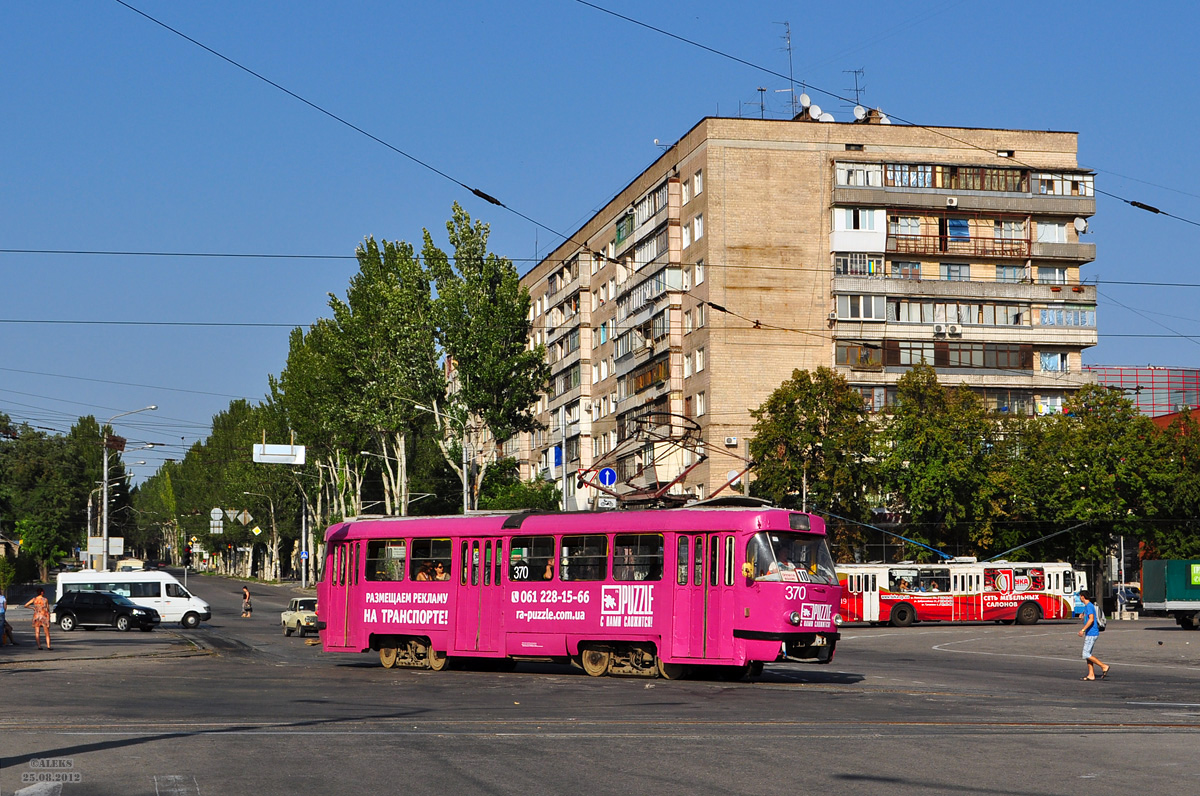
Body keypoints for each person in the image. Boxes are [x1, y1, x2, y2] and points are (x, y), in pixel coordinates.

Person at [1077, 590, 1110, 681]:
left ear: (1083, 597)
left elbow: (1091, 619)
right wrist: (1082, 615)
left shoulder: (1089, 606)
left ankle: (1104, 666)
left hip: (1092, 633)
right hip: (1091, 633)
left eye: (1080, 596)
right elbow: (1088, 616)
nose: (1080, 598)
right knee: (1088, 654)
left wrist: (1083, 630)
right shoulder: (1088, 606)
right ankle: (1091, 674)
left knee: (1086, 654)